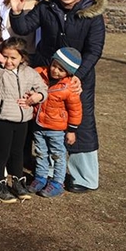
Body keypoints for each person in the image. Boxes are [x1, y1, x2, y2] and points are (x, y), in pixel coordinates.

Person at [9, 0, 105, 193]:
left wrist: (76, 77)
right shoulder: (47, 7)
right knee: (46, 121)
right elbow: (23, 28)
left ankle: (85, 177)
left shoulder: (92, 14)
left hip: (78, 80)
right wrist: (16, 13)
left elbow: (94, 50)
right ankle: (50, 172)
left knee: (81, 123)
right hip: (47, 75)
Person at [0, 37, 48, 203]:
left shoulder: (29, 72)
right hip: (3, 118)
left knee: (18, 152)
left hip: (22, 119)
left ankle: (18, 182)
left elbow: (43, 88)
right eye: (5, 56)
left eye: (13, 58)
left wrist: (37, 96)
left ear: (23, 58)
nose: (9, 61)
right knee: (2, 153)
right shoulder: (0, 70)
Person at [30, 48, 83, 198]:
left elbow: (75, 110)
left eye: (61, 70)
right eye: (54, 65)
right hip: (38, 124)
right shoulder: (39, 74)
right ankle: (40, 177)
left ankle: (58, 182)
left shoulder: (69, 87)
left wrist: (72, 130)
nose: (56, 71)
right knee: (40, 153)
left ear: (69, 73)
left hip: (57, 129)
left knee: (57, 155)